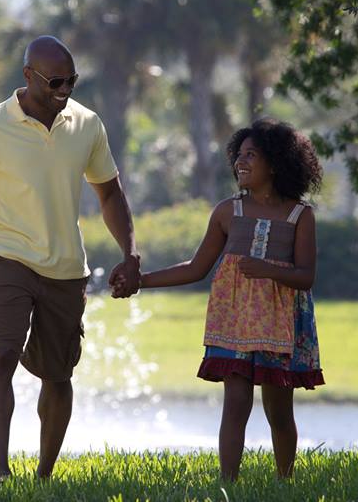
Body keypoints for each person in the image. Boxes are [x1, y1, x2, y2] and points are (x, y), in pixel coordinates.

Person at [0, 35, 141, 482]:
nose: (64, 90)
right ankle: (0, 470)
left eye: (71, 80)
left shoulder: (87, 124)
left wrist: (130, 253)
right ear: (28, 76)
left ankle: (44, 476)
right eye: (55, 81)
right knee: (1, 356)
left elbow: (110, 192)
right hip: (7, 258)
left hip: (66, 268)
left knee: (58, 376)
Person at [116, 118, 324, 480]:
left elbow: (306, 276)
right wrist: (141, 282)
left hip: (281, 321)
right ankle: (228, 484)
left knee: (278, 408)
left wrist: (267, 269)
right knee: (236, 402)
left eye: (251, 156)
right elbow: (196, 268)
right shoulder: (228, 212)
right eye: (239, 155)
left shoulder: (299, 216)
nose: (241, 163)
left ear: (275, 163)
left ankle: (285, 481)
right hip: (234, 321)